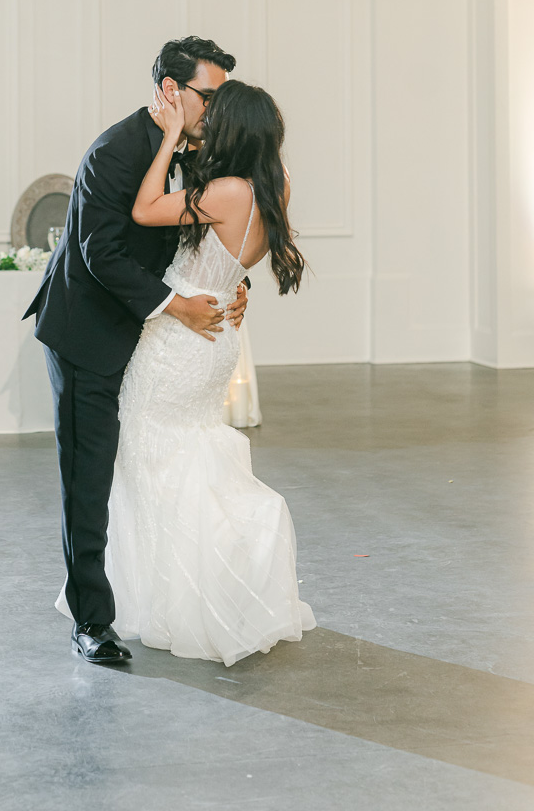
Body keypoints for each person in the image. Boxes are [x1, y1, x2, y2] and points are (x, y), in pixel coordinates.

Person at [22, 37, 249, 664]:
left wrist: (233, 283)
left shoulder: (195, 154)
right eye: (210, 95)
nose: (217, 109)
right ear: (171, 91)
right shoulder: (117, 150)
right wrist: (177, 306)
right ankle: (91, 622)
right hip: (87, 335)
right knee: (88, 478)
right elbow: (99, 252)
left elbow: (201, 236)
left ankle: (162, 592)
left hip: (149, 341)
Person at [102, 77, 317, 666]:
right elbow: (231, 258)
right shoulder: (277, 185)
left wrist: (170, 136)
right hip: (218, 332)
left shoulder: (224, 190)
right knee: (182, 451)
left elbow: (145, 210)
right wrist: (237, 286)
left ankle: (168, 597)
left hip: (179, 338)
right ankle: (192, 585)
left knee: (149, 454)